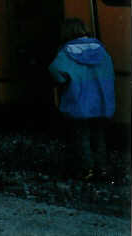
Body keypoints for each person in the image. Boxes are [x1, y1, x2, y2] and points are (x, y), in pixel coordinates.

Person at [48, 18, 115, 180]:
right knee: (99, 136)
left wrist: (63, 81)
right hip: (101, 102)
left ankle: (87, 170)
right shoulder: (101, 49)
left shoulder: (66, 52)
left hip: (79, 103)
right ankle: (102, 168)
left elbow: (55, 70)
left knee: (81, 136)